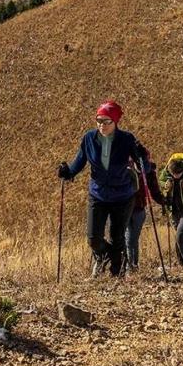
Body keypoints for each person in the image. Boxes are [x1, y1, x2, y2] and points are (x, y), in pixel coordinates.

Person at [58, 100, 146, 277]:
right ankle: (106, 257)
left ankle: (117, 275)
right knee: (93, 238)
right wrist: (68, 172)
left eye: (107, 121)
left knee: (117, 237)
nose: (102, 125)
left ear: (115, 122)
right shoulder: (89, 138)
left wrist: (141, 156)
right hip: (98, 194)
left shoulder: (126, 139)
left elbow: (144, 167)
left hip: (122, 196)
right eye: (99, 120)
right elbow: (80, 161)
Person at [125, 152, 165, 272]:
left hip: (138, 208)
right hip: (123, 209)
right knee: (127, 238)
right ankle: (129, 267)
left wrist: (164, 201)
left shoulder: (147, 171)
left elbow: (154, 190)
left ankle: (131, 267)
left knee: (131, 238)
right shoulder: (120, 168)